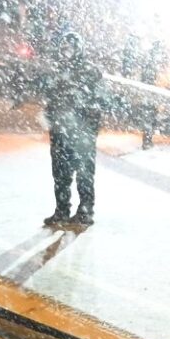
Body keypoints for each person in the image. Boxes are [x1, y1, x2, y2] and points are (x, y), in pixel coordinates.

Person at [42, 30, 104, 227]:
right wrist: (51, 120)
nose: (66, 52)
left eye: (70, 48)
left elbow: (100, 102)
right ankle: (62, 209)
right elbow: (51, 99)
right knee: (60, 173)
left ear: (79, 48)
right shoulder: (59, 71)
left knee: (84, 173)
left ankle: (85, 210)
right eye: (64, 48)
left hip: (80, 134)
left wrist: (88, 130)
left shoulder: (90, 72)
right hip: (60, 132)